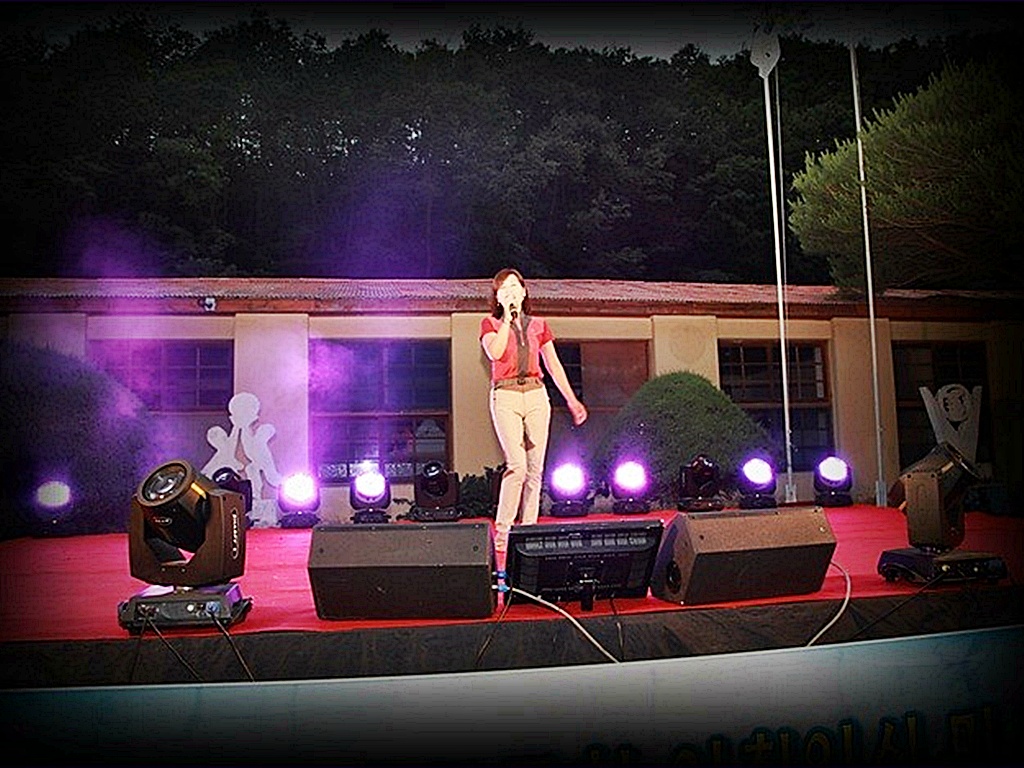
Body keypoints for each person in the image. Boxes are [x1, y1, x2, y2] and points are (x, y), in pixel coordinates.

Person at [480, 268, 588, 552]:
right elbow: (495, 353)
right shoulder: (490, 323)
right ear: (498, 296)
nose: (512, 291)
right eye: (505, 289)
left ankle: (528, 532)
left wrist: (571, 399)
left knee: (535, 469)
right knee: (517, 466)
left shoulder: (539, 325)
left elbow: (553, 365)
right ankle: (503, 533)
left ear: (525, 292)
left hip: (536, 394)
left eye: (515, 287)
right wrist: (507, 319)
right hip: (505, 395)